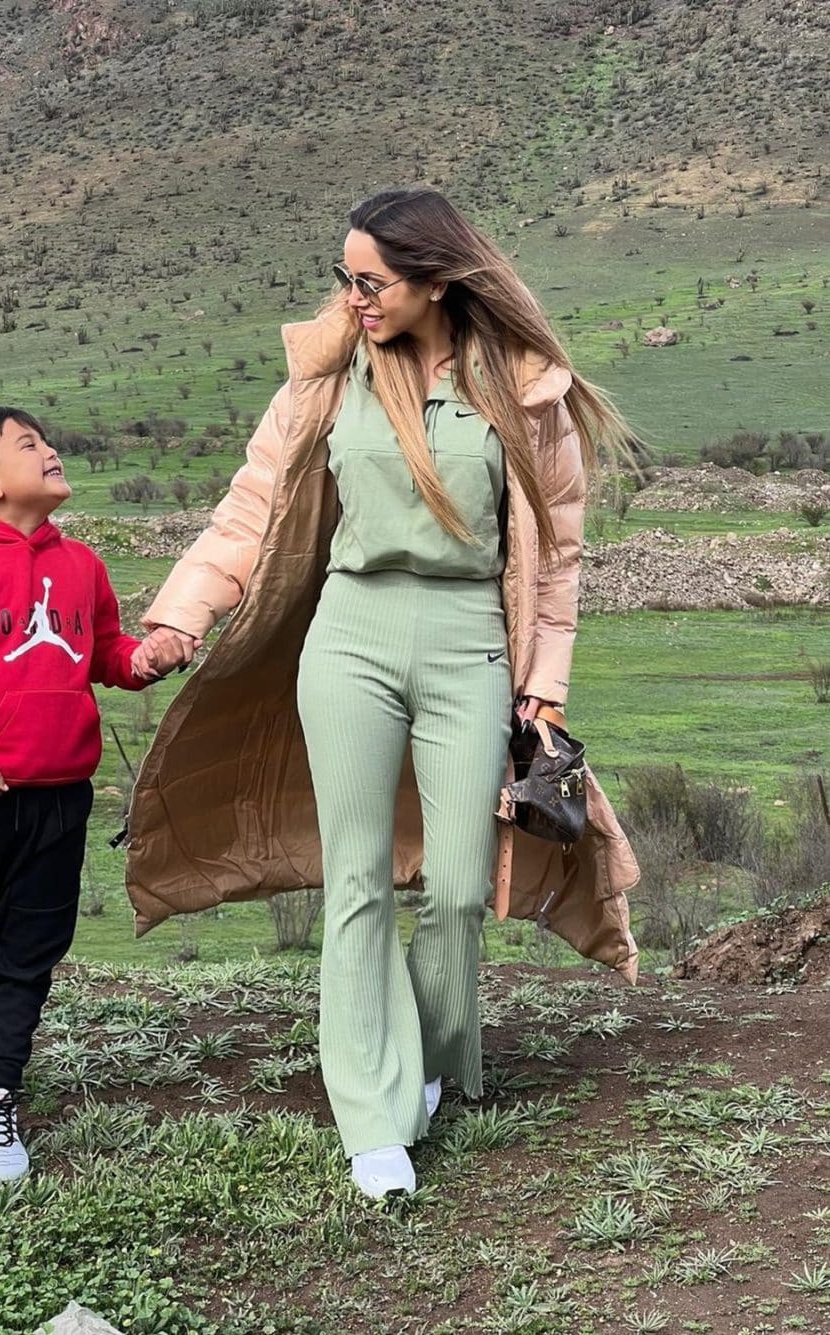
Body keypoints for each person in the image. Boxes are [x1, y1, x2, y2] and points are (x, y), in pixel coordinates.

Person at [129, 188, 640, 1199]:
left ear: (437, 280)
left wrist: (544, 686)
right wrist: (181, 612)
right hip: (350, 636)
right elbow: (250, 510)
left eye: (372, 280)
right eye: (344, 276)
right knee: (355, 878)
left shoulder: (529, 396)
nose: (352, 296)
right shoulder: (328, 379)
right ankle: (371, 1114)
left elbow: (559, 561)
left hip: (469, 646)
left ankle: (433, 1063)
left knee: (458, 886)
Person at [0, 406, 189, 1182]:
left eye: (48, 440)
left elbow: (103, 652)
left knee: (28, 959)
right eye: (30, 445)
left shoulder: (80, 564)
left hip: (59, 800)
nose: (51, 450)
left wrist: (144, 659)